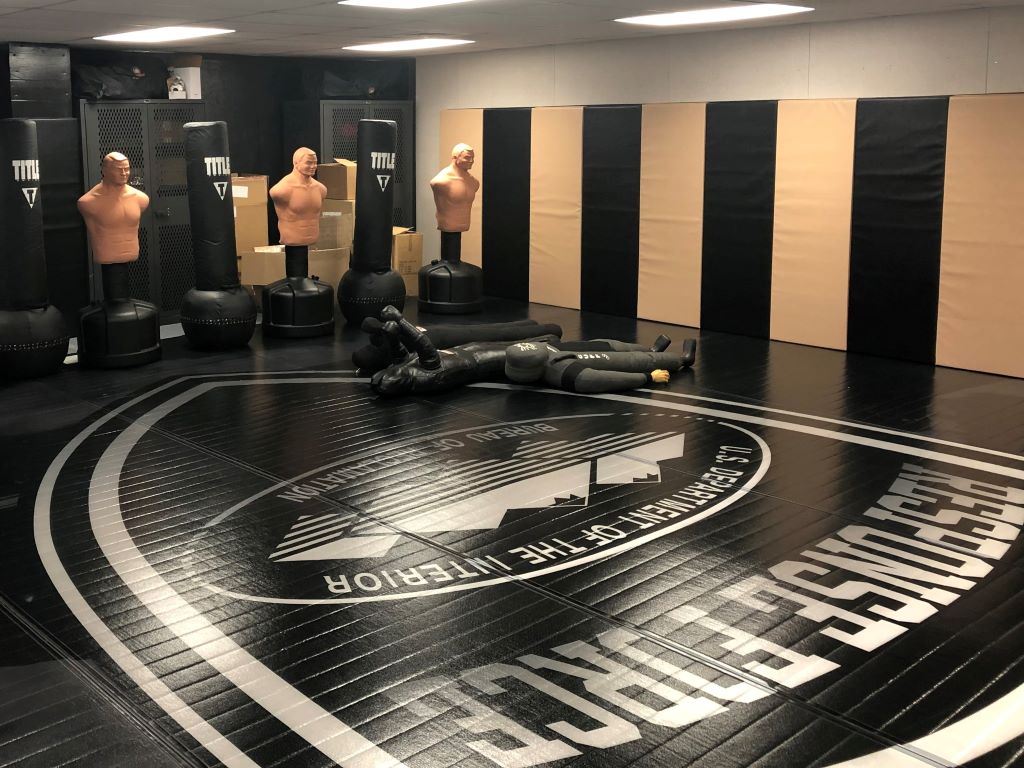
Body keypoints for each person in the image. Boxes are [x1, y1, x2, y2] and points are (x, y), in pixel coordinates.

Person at [77, 152, 149, 265]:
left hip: (132, 252)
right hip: (106, 254)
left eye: (126, 169)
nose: (124, 173)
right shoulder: (88, 202)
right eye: (118, 170)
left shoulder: (141, 198)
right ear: (104, 171)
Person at [270, 147, 327, 247]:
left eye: (315, 163)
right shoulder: (281, 190)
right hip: (292, 242)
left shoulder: (321, 189)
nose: (313, 166)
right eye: (309, 163)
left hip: (313, 242)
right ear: (296, 163)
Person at [430, 143, 480, 235]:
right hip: (447, 226)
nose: (471, 161)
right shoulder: (441, 182)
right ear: (455, 157)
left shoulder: (474, 182)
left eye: (472, 158)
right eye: (467, 157)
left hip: (463, 225)